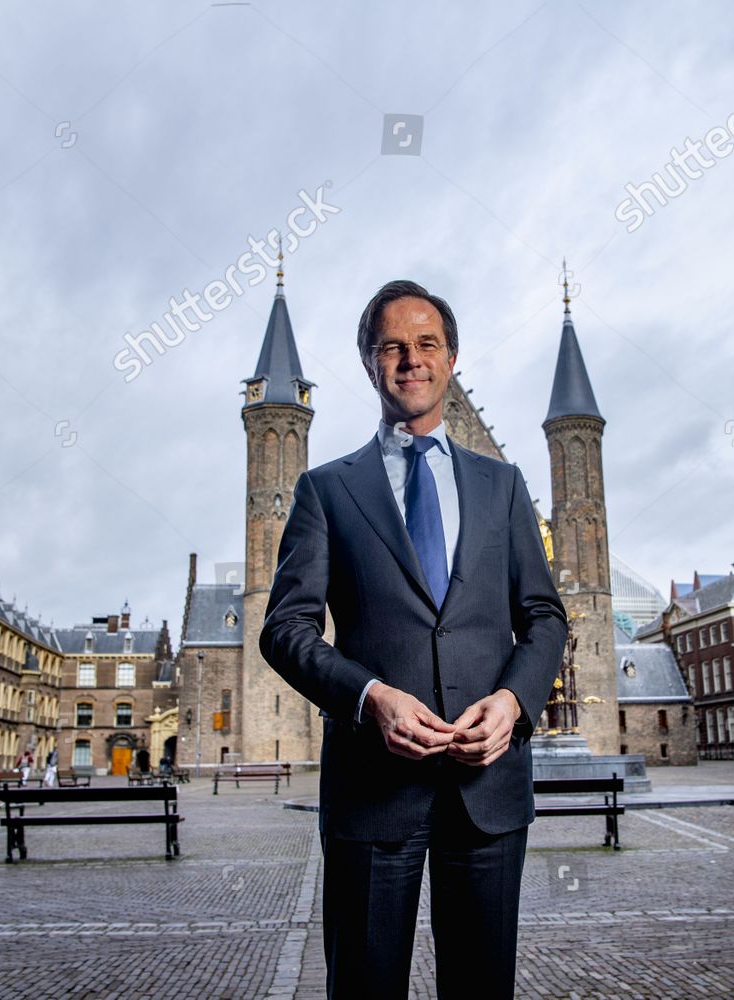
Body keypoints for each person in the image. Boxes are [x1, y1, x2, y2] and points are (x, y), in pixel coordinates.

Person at [261, 279, 567, 999]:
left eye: (426, 344)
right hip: (373, 790)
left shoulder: (504, 485)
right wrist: (369, 698)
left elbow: (545, 616)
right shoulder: (326, 491)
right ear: (370, 363)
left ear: (451, 358)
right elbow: (285, 629)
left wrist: (515, 703)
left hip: (486, 788)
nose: (411, 360)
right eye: (392, 347)